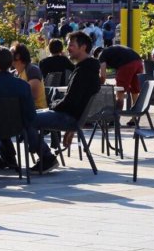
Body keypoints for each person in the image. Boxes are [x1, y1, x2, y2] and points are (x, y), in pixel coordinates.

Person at [31, 30, 103, 171]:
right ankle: (43, 156)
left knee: (26, 118)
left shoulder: (84, 71)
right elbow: (76, 102)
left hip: (68, 117)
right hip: (72, 117)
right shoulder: (88, 68)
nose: (67, 48)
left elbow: (70, 102)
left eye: (71, 45)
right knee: (29, 115)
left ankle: (47, 157)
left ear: (83, 47)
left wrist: (53, 106)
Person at [97, 44, 143, 108]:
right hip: (139, 62)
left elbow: (103, 76)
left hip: (127, 64)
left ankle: (117, 115)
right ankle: (135, 115)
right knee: (134, 90)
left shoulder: (102, 55)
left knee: (120, 92)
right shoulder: (113, 50)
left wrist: (100, 86)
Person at [11, 42, 46, 110]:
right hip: (22, 110)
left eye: (10, 53)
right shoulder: (14, 73)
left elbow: (31, 96)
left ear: (17, 56)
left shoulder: (32, 70)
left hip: (37, 111)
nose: (7, 56)